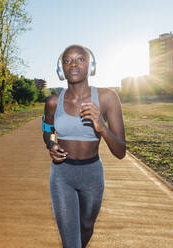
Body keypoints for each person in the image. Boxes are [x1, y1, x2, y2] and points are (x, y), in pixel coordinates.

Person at [42, 44, 126, 248]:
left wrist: (102, 127)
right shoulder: (53, 102)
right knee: (70, 239)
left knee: (86, 225)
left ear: (91, 65)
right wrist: (51, 145)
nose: (73, 64)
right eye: (67, 60)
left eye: (80, 59)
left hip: (92, 174)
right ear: (61, 68)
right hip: (62, 175)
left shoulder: (107, 97)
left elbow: (121, 151)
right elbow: (47, 131)